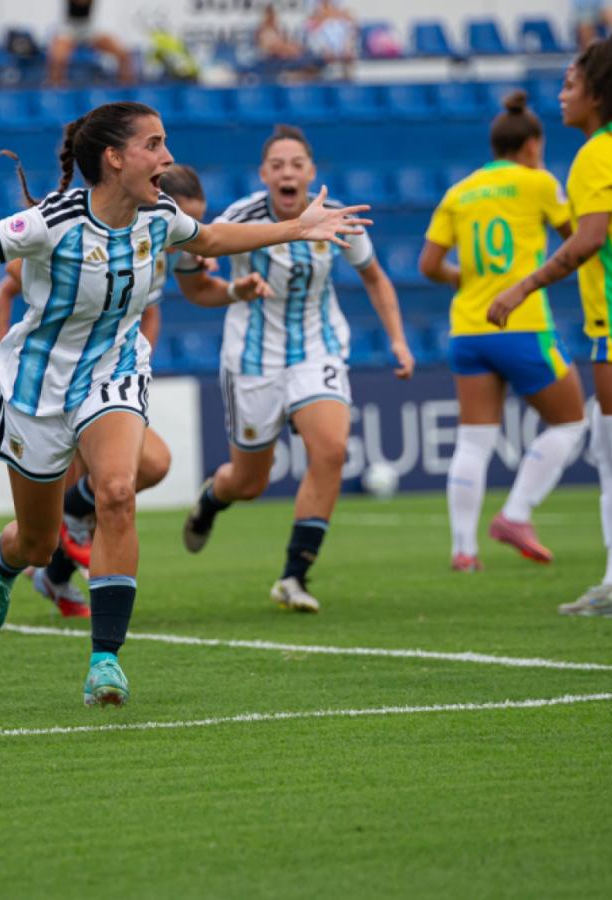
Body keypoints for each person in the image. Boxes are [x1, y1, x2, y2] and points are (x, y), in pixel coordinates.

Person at [0, 102, 368, 706]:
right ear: (114, 157)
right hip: (39, 387)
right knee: (38, 542)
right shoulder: (51, 222)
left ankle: (105, 659)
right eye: (154, 145)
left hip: (115, 372)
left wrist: (297, 227)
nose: (168, 158)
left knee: (117, 491)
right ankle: (6, 563)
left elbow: (212, 238)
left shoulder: (160, 216)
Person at [0, 164, 269, 618]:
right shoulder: (80, 234)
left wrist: (236, 290)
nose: (190, 237)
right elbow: (10, 283)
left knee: (136, 475)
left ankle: (58, 575)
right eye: (186, 219)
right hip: (54, 383)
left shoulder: (166, 236)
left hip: (109, 379)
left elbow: (195, 291)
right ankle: (46, 566)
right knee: (91, 498)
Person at [488, 32, 612, 618]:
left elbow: (588, 240)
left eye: (570, 84)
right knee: (607, 448)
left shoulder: (595, 155)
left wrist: (522, 285)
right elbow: (598, 225)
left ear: (596, 94)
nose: (561, 94)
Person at [181, 124, 411, 614]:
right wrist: (217, 283)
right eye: (277, 165)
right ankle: (212, 500)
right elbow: (196, 274)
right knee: (249, 483)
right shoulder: (240, 218)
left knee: (329, 449)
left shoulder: (334, 219)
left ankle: (293, 576)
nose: (287, 172)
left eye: (297, 163)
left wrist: (397, 339)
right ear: (264, 174)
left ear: (311, 172)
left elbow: (376, 278)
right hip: (251, 359)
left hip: (317, 349)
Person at [420, 91, 588, 572]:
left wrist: (464, 280)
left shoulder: (460, 191)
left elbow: (428, 264)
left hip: (468, 330)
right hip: (521, 323)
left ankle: (463, 549)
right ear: (533, 145)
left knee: (473, 441)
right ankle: (515, 514)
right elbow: (577, 238)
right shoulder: (537, 182)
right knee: (571, 421)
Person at [47, 0, 135, 86]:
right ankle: (56, 91)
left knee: (123, 55)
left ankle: (126, 90)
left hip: (89, 28)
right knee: (57, 59)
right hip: (68, 28)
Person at [306, 0, 359, 78]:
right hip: (322, 44)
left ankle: (346, 76)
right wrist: (325, 50)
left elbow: (352, 24)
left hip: (342, 47)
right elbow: (311, 23)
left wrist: (348, 47)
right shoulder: (313, 9)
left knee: (343, 29)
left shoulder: (341, 12)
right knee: (317, 33)